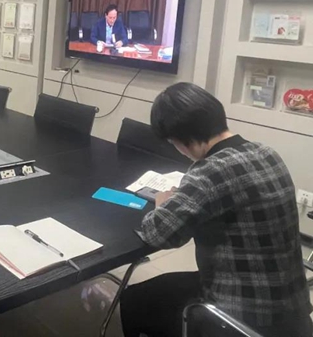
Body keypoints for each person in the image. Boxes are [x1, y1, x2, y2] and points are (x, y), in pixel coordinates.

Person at [121, 82, 311, 337]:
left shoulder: (209, 171)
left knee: (134, 299)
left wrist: (162, 203)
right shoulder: (267, 152)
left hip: (243, 316)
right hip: (294, 311)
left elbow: (159, 234)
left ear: (180, 139)